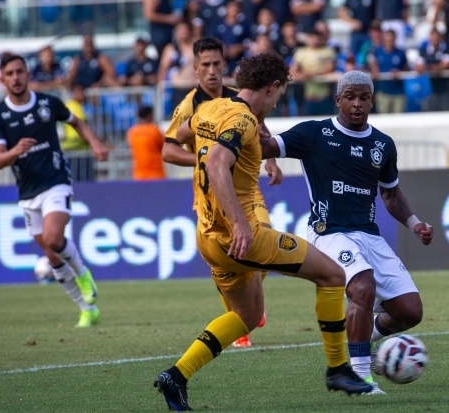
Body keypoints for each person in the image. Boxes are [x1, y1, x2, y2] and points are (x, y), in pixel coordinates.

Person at [154, 52, 372, 411]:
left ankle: (176, 376)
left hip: (206, 236)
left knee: (248, 315)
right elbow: (217, 163)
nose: (275, 103)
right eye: (279, 95)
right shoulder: (242, 120)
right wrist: (241, 223)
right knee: (333, 275)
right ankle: (338, 369)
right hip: (242, 236)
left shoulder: (211, 108)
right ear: (271, 87)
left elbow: (182, 133)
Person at [261, 71, 434, 395]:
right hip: (328, 232)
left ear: (372, 101)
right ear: (338, 99)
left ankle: (362, 338)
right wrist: (254, 119)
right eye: (350, 97)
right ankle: (360, 376)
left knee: (409, 311)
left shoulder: (382, 144)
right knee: (362, 287)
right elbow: (264, 146)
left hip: (369, 234)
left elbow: (390, 194)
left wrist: (414, 223)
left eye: (363, 98)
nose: (357, 104)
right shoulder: (314, 133)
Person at [162, 37, 282, 348]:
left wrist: (270, 160)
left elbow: (259, 128)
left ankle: (251, 306)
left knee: (262, 242)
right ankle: (240, 322)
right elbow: (169, 150)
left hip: (247, 190)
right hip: (211, 194)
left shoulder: (239, 97)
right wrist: (205, 159)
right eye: (206, 65)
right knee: (228, 260)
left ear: (225, 65)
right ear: (196, 68)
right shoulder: (189, 105)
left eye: (217, 64)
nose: (212, 70)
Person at [0, 54, 109, 328]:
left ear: (27, 74)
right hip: (27, 192)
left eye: (19, 71)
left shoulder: (47, 103)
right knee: (53, 257)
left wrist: (94, 142)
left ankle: (83, 274)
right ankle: (87, 309)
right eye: (10, 74)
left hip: (56, 181)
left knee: (54, 239)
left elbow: (76, 122)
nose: (16, 77)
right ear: (3, 79)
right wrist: (16, 150)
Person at [368, 29, 409, 114]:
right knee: (383, 117)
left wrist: (399, 72)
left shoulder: (401, 53)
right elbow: (371, 61)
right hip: (383, 91)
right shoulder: (377, 51)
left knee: (399, 117)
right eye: (387, 38)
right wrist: (374, 68)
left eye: (391, 38)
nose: (389, 40)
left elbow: (407, 68)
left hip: (398, 92)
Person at [127, 106, 166, 180]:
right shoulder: (155, 130)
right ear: (149, 115)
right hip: (156, 173)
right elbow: (164, 147)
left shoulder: (132, 131)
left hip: (139, 174)